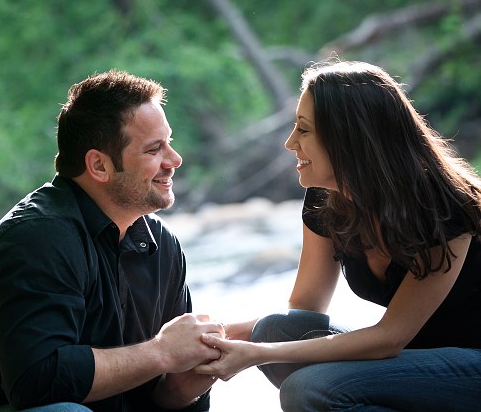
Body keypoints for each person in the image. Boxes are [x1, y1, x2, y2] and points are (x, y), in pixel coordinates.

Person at [0, 69, 223, 412]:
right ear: (99, 166)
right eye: (154, 149)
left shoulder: (163, 246)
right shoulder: (39, 237)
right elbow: (37, 382)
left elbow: (153, 390)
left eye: (169, 142)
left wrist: (179, 390)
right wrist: (160, 352)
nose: (174, 160)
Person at [196, 60, 481, 411]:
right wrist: (220, 336)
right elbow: (304, 306)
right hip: (414, 356)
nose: (290, 143)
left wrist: (254, 355)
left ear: (348, 137)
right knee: (273, 329)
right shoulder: (327, 198)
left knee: (308, 389)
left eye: (303, 129)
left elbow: (390, 338)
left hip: (472, 365)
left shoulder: (444, 205)